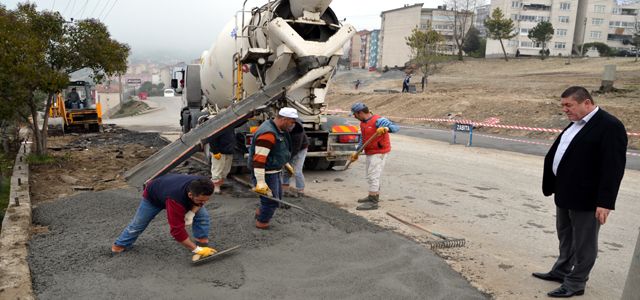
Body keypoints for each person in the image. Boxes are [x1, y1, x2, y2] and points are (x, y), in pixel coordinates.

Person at [533, 86, 627, 298]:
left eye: (569, 105)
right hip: (565, 194)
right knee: (565, 236)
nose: (565, 110)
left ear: (586, 102)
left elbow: (613, 168)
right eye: (563, 106)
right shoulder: (575, 124)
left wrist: (605, 202)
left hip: (588, 199)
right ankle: (561, 271)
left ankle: (576, 283)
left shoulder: (609, 126)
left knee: (584, 244)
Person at [111, 174, 217, 259]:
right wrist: (196, 250)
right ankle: (119, 246)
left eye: (206, 200)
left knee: (203, 217)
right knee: (138, 224)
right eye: (200, 200)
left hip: (171, 188)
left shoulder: (206, 185)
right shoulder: (175, 200)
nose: (203, 203)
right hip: (154, 196)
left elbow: (201, 201)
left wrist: (192, 213)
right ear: (190, 195)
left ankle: (203, 245)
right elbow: (176, 231)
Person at [248, 107, 297, 229]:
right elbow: (259, 160)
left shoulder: (278, 129)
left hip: (274, 171)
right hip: (266, 173)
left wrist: (285, 163)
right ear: (284, 119)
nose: (293, 125)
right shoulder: (268, 134)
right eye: (292, 122)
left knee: (277, 198)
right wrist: (260, 182)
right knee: (271, 201)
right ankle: (262, 223)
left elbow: (278, 150)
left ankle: (260, 213)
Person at [349, 102, 399, 210]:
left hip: (379, 152)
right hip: (370, 152)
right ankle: (372, 195)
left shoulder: (379, 121)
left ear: (360, 113)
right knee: (369, 175)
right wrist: (357, 152)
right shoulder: (363, 123)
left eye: (355, 114)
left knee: (373, 176)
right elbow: (363, 138)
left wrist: (386, 128)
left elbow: (396, 128)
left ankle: (373, 202)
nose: (354, 117)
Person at [282, 119, 309, 197]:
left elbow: (295, 149)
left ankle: (300, 190)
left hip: (301, 148)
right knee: (287, 169)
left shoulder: (298, 132)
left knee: (297, 170)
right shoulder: (282, 126)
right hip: (289, 148)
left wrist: (286, 159)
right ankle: (285, 189)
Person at [210, 127, 236, 194]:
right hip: (219, 152)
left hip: (228, 150)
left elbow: (238, 124)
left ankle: (220, 183)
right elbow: (212, 139)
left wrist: (246, 119)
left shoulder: (230, 126)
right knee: (217, 169)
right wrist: (215, 151)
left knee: (226, 170)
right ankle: (216, 186)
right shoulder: (219, 125)